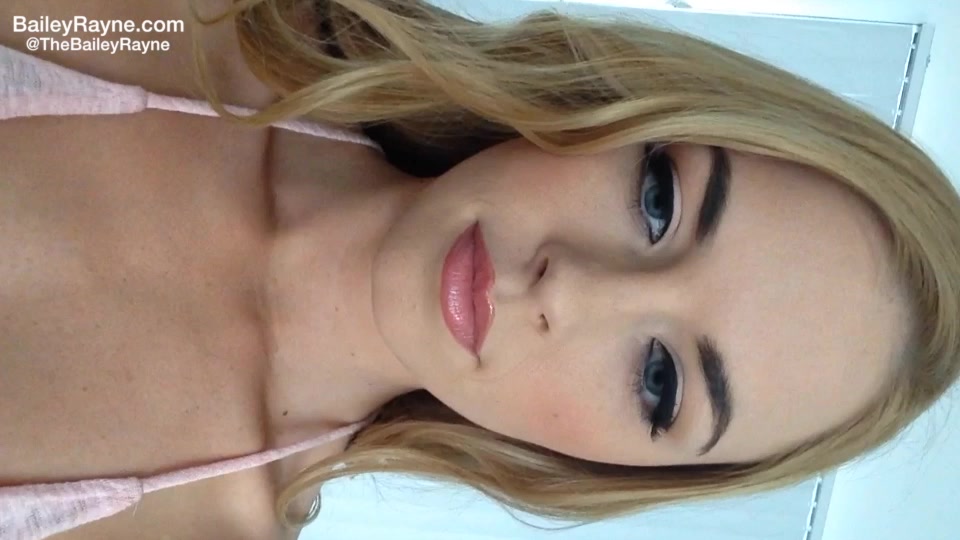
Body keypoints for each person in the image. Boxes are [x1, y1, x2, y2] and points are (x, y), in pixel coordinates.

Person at [1, 0, 958, 538]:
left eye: (661, 381)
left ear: (606, 469)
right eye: (659, 199)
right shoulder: (204, 23)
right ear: (624, 105)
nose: (569, 286)